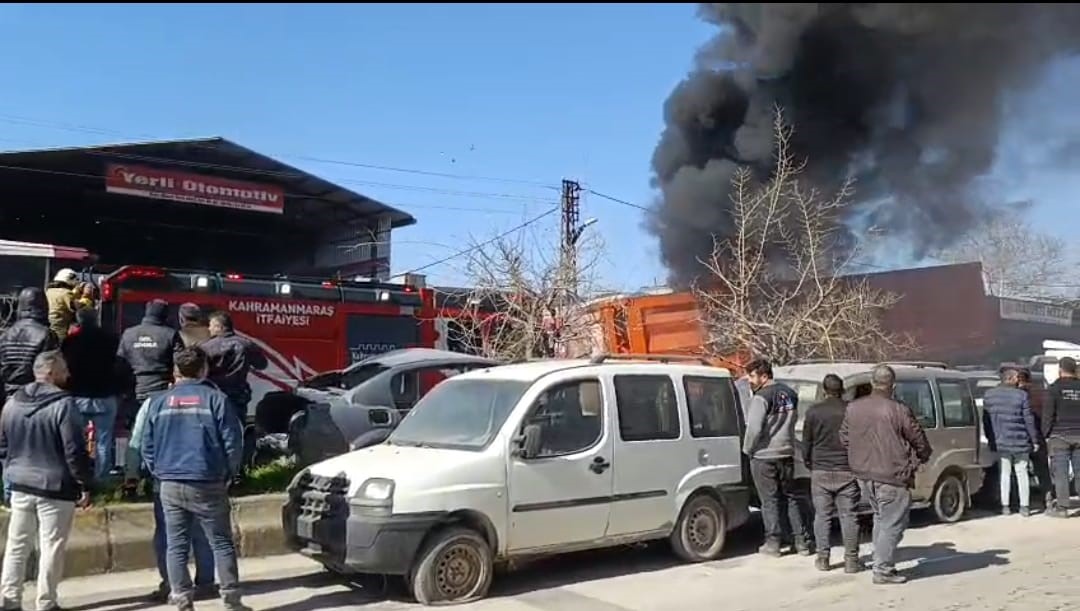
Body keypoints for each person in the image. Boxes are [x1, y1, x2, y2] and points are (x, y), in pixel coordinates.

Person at [142, 347, 246, 611]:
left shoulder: (159, 402)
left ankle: (182, 601)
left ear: (175, 372)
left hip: (170, 483)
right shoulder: (216, 400)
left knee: (176, 545)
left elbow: (147, 446)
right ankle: (232, 601)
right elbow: (233, 443)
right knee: (221, 541)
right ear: (204, 370)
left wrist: (160, 472)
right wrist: (229, 474)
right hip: (208, 480)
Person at [0, 351, 92, 611]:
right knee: (50, 547)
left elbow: (3, 445)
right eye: (64, 370)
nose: (69, 375)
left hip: (19, 482)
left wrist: (10, 471)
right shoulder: (65, 405)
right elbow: (74, 450)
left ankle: (10, 600)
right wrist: (83, 484)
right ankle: (46, 602)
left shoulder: (12, 402)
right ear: (51, 372)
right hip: (55, 486)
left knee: (17, 545)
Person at [841, 364, 931, 585]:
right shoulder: (898, 409)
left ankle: (881, 561)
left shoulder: (853, 408)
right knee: (892, 523)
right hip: (892, 474)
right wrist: (923, 455)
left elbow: (844, 437)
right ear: (893, 386)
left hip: (864, 473)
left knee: (881, 519)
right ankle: (883, 569)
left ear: (872, 383)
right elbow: (918, 438)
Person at [125, 394, 217, 604]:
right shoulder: (211, 399)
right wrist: (226, 472)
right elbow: (228, 437)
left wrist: (134, 472)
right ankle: (206, 583)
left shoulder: (154, 403)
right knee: (203, 532)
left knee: (168, 537)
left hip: (166, 480)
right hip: (203, 477)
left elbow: (139, 441)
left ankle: (173, 585)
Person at [742, 357, 810, 557]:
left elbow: (754, 428)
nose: (749, 380)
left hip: (764, 455)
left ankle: (773, 543)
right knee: (790, 497)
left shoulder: (761, 397)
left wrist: (747, 450)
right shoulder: (790, 394)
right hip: (786, 452)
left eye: (752, 376)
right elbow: (793, 419)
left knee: (769, 500)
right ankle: (801, 541)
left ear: (764, 376)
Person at [801, 374, 860, 573]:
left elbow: (806, 443)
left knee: (822, 516)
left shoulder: (813, 412)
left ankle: (823, 558)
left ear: (824, 391)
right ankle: (851, 561)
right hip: (846, 469)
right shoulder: (851, 411)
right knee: (849, 516)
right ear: (842, 390)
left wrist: (810, 463)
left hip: (821, 470)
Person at [62, 308, 123, 482]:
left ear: (79, 320)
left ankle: (78, 478)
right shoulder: (110, 339)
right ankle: (102, 479)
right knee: (104, 440)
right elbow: (118, 365)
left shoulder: (70, 342)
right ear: (97, 319)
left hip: (78, 395)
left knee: (75, 440)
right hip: (104, 394)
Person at [983, 367, 1040, 517]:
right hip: (1020, 441)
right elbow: (1029, 420)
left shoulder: (989, 395)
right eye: (1016, 378)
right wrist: (1034, 440)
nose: (1018, 380)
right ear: (1010, 379)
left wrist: (991, 439)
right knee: (1022, 473)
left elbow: (986, 421)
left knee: (1005, 474)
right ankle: (1025, 507)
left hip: (1001, 441)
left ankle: (1005, 506)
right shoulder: (1021, 396)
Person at [201, 311, 267, 427]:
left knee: (214, 427)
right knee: (237, 427)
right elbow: (262, 364)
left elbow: (199, 373)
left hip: (215, 394)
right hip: (238, 395)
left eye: (211, 325)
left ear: (219, 327)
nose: (209, 328)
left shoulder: (207, 347)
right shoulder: (246, 344)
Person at [117, 299, 182, 404]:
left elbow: (120, 364)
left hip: (134, 391)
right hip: (162, 391)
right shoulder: (171, 334)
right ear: (165, 315)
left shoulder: (128, 334)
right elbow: (180, 363)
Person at [0, 287, 60, 398]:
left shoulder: (5, 335)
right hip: (34, 396)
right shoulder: (47, 335)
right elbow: (51, 371)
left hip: (8, 396)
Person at [1042, 356, 1080, 518]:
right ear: (1075, 370)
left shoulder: (1054, 388)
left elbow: (1048, 414)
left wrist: (1045, 434)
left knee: (1061, 473)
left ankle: (1062, 507)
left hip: (1060, 436)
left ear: (1060, 369)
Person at [1018, 368, 1055, 509]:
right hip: (1040, 435)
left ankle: (1022, 501)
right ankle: (1047, 498)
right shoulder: (1042, 393)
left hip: (1022, 436)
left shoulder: (1018, 394)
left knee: (1020, 470)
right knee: (1042, 469)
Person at [45, 269, 78, 341]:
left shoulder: (48, 291)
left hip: (48, 325)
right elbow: (75, 308)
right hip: (60, 326)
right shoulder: (66, 293)